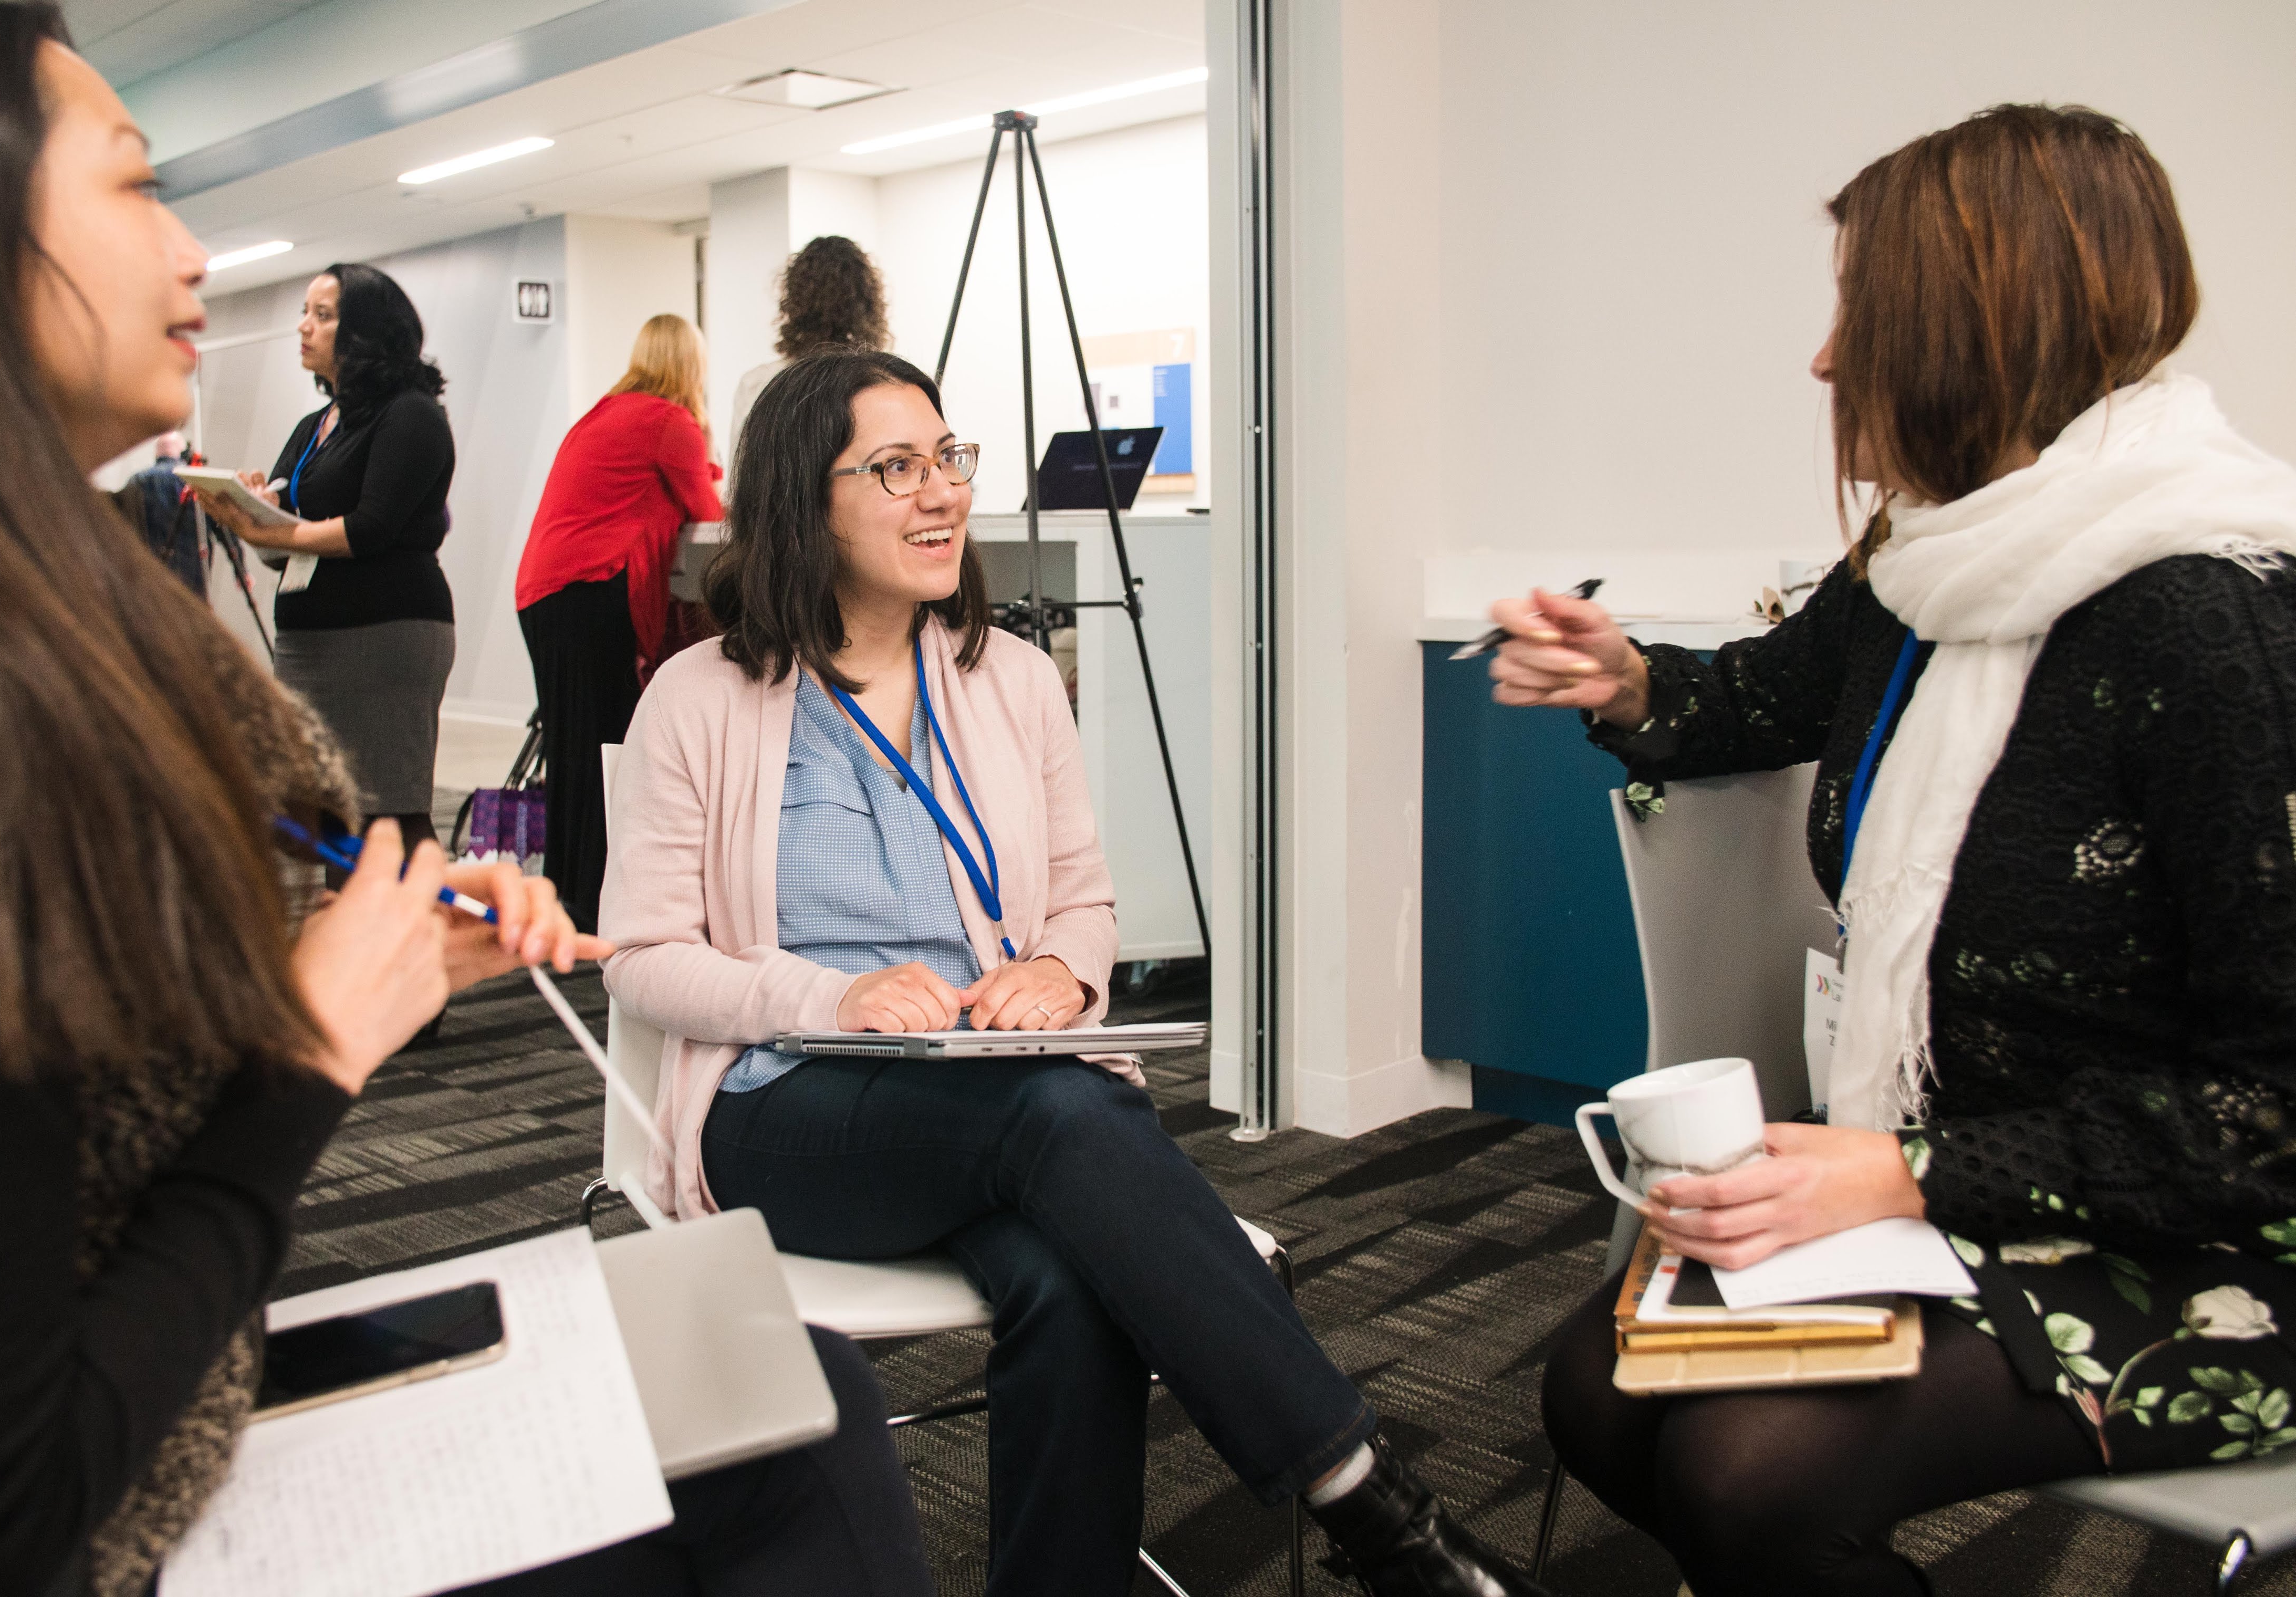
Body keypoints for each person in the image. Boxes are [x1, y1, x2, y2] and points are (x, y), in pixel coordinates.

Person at [0, 0, 936, 1597]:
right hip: (56, 1521)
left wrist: (346, 957)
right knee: (781, 1439)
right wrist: (307, 1047)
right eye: (133, 183)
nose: (194, 253)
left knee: (789, 1387)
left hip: (143, 1392)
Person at [1491, 106, 2296, 1597]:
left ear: (1977, 326)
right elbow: (1761, 698)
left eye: (1859, 307)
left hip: (2215, 1240)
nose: (1822, 358)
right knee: (1595, 1396)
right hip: (1951, 1186)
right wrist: (1630, 679)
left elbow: (2266, 1117)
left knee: (1753, 1477)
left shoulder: (2209, 621)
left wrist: (1912, 1171)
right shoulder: (1927, 564)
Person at [599, 348, 1559, 1597]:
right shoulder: (702, 693)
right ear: (802, 497)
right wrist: (822, 996)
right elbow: (643, 959)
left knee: (1067, 1273)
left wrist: (1060, 973)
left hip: (986, 1087)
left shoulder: (1006, 679)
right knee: (1064, 1117)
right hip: (784, 1104)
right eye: (894, 467)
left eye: (949, 458)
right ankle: (1375, 1512)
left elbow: (1083, 904)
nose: (940, 491)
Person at [196, 262, 456, 858]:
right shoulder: (317, 425)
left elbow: (368, 529)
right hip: (311, 637)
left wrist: (275, 530)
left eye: (322, 314)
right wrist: (250, 515)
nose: (303, 327)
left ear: (364, 331)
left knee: (386, 808)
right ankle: (352, 935)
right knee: (321, 812)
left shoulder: (410, 414)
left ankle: (425, 935)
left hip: (385, 633)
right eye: (304, 312)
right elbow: (284, 546)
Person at [516, 313, 724, 923]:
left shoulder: (609, 412)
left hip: (546, 588)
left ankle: (569, 889)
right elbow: (707, 508)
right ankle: (597, 897)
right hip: (590, 587)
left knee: (571, 746)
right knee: (609, 744)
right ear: (690, 367)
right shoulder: (670, 421)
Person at [726, 235, 889, 456]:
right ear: (867, 304)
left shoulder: (758, 383)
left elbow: (740, 475)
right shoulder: (883, 384)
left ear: (795, 301)